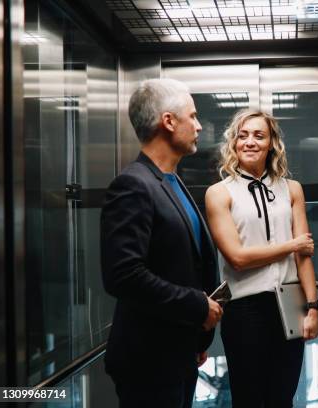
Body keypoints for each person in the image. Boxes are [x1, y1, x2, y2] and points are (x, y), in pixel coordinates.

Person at [100, 78, 223, 408]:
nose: (199, 126)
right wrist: (197, 306)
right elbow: (123, 275)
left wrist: (196, 336)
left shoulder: (172, 181)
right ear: (168, 121)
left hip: (178, 352)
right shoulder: (133, 184)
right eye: (193, 117)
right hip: (148, 361)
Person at [205, 109, 318, 407]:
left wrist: (313, 306)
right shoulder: (219, 193)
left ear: (272, 143)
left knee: (283, 397)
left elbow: (304, 256)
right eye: (242, 136)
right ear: (233, 143)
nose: (250, 142)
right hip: (245, 311)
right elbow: (237, 258)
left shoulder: (291, 189)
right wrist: (291, 245)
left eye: (259, 135)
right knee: (249, 399)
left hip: (290, 304)